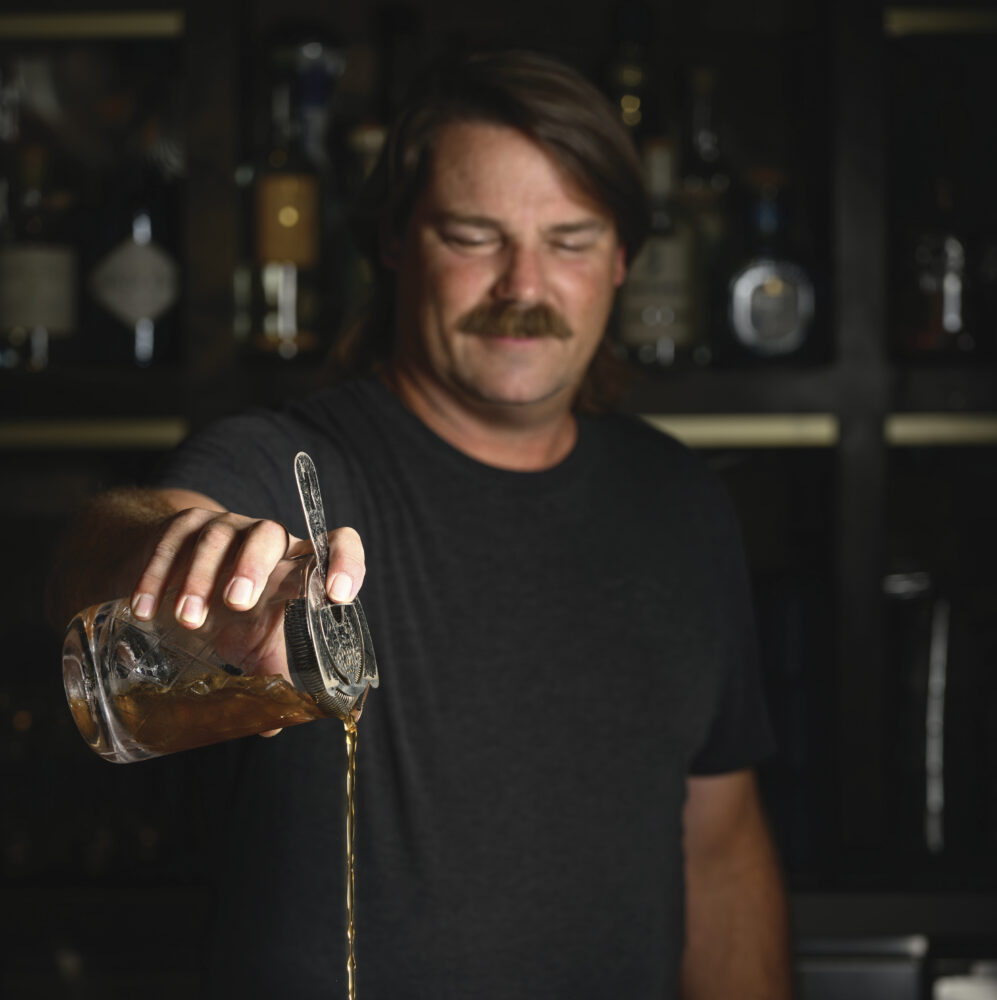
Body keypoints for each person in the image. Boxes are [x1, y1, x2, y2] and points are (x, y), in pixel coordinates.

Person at [49, 50, 793, 999]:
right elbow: (96, 558)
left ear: (620, 259)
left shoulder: (680, 502)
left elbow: (720, 846)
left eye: (567, 240)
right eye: (474, 236)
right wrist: (182, 550)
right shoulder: (291, 464)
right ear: (397, 241)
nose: (523, 286)